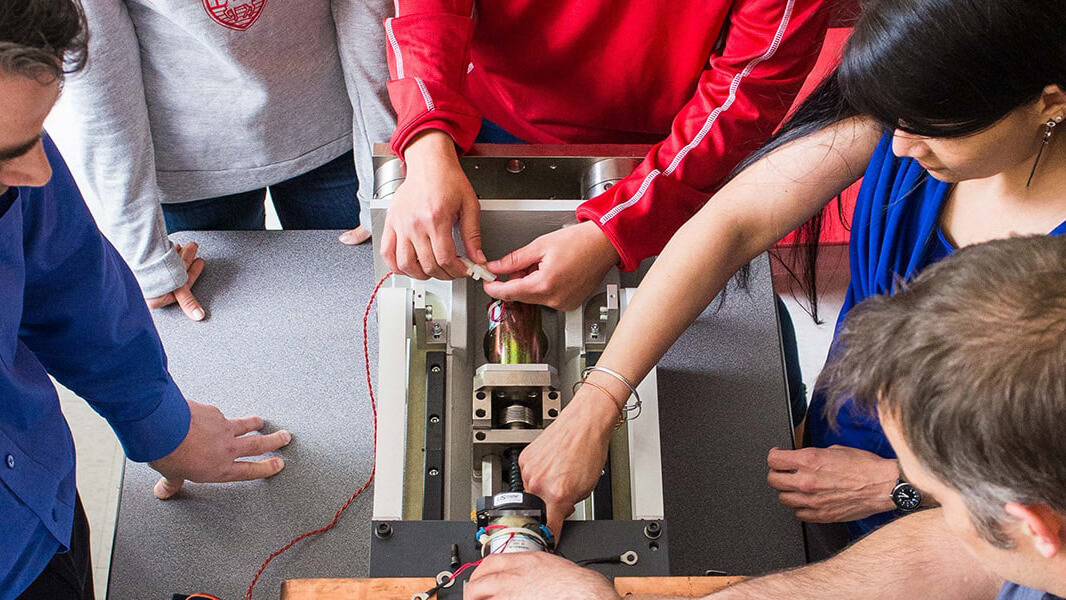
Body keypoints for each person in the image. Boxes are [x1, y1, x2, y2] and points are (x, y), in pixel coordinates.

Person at [507, 0, 1066, 546]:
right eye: (894, 121)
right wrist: (595, 404)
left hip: (961, 536)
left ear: (1048, 103)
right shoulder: (920, 113)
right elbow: (734, 224)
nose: (897, 145)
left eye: (930, 129)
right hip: (832, 453)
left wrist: (896, 486)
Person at [466, 235, 1066, 600]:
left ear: (1034, 527)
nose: (904, 491)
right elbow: (929, 557)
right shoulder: (1020, 533)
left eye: (925, 489)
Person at [0, 3, 291, 598]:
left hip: (40, 507)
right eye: (5, 156)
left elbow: (72, 288)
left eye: (36, 137)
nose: (38, 173)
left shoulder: (16, 151)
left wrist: (161, 424)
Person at [379, 0, 834, 310]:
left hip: (681, 148)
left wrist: (615, 230)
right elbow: (430, 10)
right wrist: (428, 138)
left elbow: (748, 89)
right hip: (495, 124)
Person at [46, 0, 396, 321]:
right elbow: (102, 89)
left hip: (335, 139)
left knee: (361, 319)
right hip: (188, 168)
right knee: (217, 352)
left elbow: (370, 24)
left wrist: (387, 185)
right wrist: (144, 258)